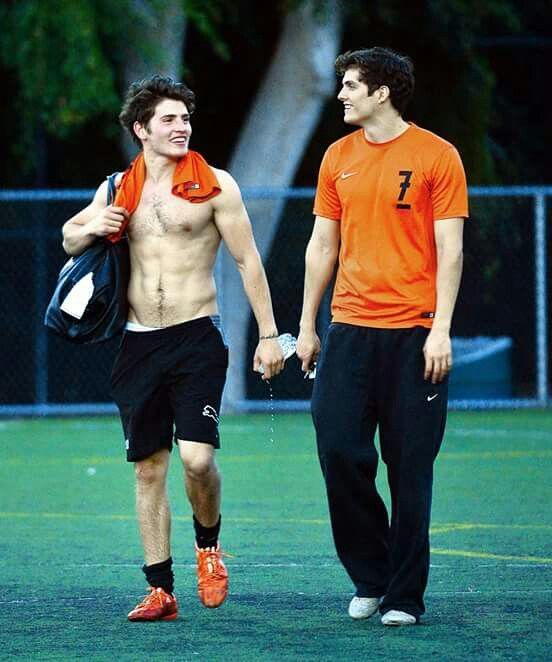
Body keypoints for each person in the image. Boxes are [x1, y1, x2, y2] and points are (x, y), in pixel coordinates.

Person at [62, 75, 285, 621]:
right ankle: (160, 589)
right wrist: (94, 226)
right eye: (169, 119)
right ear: (142, 129)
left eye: (185, 118)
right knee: (147, 469)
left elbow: (247, 261)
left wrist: (269, 334)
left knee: (197, 459)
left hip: (196, 337)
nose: (181, 126)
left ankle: (208, 547)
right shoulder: (118, 187)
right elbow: (68, 238)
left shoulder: (215, 185)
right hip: (138, 342)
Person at [296, 47, 468, 626]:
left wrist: (441, 330)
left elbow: (450, 250)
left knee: (409, 468)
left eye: (351, 85)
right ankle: (371, 575)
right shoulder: (337, 156)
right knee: (338, 449)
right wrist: (307, 326)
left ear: (382, 92)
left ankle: (403, 596)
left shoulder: (437, 155)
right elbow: (322, 245)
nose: (341, 94)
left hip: (416, 335)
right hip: (348, 331)